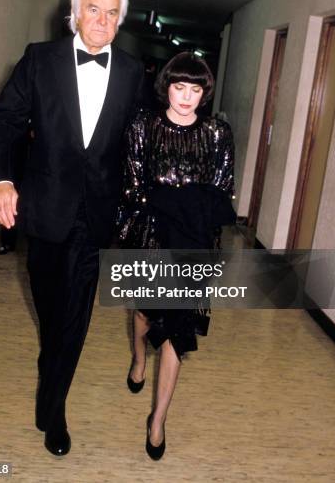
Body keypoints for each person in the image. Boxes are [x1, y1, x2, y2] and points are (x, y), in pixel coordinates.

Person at [0, 0, 143, 456]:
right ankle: (50, 363)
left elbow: (141, 144)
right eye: (94, 9)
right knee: (51, 307)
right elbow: (5, 121)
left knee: (75, 316)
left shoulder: (135, 73)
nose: (102, 21)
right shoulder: (40, 59)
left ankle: (53, 409)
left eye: (112, 13)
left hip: (96, 215)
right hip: (45, 207)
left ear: (121, 21)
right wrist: (2, 180)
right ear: (73, 13)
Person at [117, 52, 235, 460]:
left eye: (196, 89)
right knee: (146, 314)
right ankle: (137, 359)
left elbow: (221, 192)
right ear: (166, 85)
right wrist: (184, 199)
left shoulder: (218, 133)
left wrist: (173, 199)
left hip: (194, 245)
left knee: (177, 332)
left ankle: (158, 419)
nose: (186, 97)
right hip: (150, 239)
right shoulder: (142, 126)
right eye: (179, 87)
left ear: (205, 93)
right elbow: (132, 187)